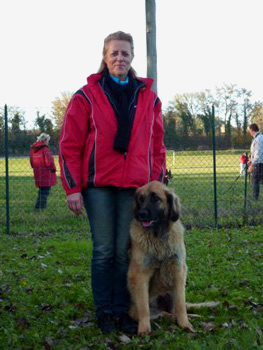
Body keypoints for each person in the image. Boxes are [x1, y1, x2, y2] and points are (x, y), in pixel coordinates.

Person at [59, 31, 166, 334]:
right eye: (114, 53)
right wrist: (73, 188)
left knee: (124, 252)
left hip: (135, 189)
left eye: (125, 53)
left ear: (132, 57)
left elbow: (158, 146)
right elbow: (69, 145)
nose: (120, 58)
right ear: (105, 57)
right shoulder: (86, 96)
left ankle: (123, 310)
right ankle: (104, 310)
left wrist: (155, 186)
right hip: (98, 187)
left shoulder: (148, 97)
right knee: (104, 250)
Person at [30, 133, 57, 209]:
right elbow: (49, 162)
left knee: (41, 190)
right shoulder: (45, 149)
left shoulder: (33, 149)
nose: (48, 142)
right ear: (45, 140)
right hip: (46, 173)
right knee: (45, 191)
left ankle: (38, 206)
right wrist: (53, 169)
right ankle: (41, 208)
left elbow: (32, 162)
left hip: (38, 172)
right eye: (48, 140)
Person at [248, 123, 263, 200]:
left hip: (258, 163)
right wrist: (251, 159)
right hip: (259, 162)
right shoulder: (258, 138)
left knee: (255, 181)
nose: (249, 132)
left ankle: (255, 198)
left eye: (249, 131)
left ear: (252, 130)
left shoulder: (258, 139)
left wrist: (252, 164)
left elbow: (258, 153)